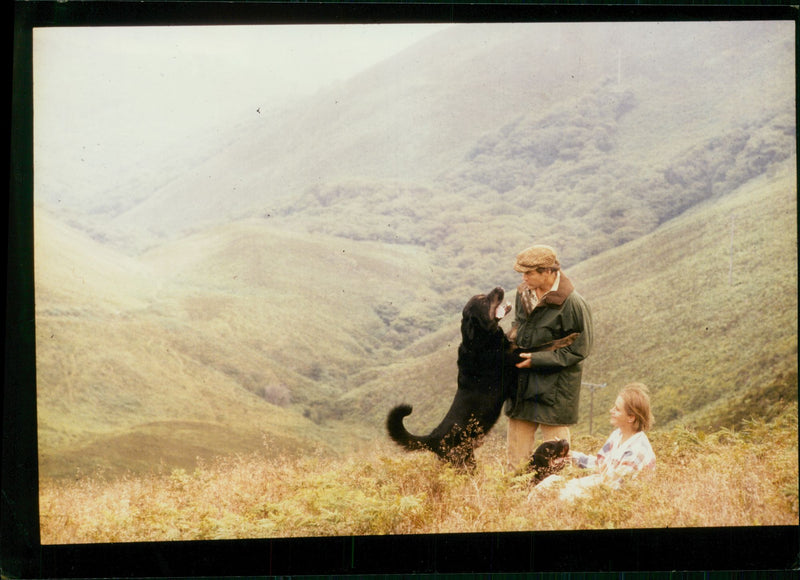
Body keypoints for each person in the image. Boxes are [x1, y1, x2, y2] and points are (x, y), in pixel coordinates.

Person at [505, 244, 593, 471]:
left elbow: (579, 349)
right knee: (516, 461)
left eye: (528, 273)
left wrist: (537, 360)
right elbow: (519, 324)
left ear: (548, 272)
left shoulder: (573, 304)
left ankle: (554, 503)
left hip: (556, 390)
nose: (523, 278)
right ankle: (514, 502)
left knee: (557, 462)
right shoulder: (523, 293)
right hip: (523, 384)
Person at [543, 383, 656, 501]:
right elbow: (600, 465)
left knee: (554, 494)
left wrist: (573, 489)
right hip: (600, 486)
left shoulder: (636, 451)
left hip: (611, 499)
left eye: (617, 409)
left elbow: (613, 490)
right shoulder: (617, 435)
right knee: (548, 484)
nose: (611, 411)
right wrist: (571, 455)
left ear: (631, 417)